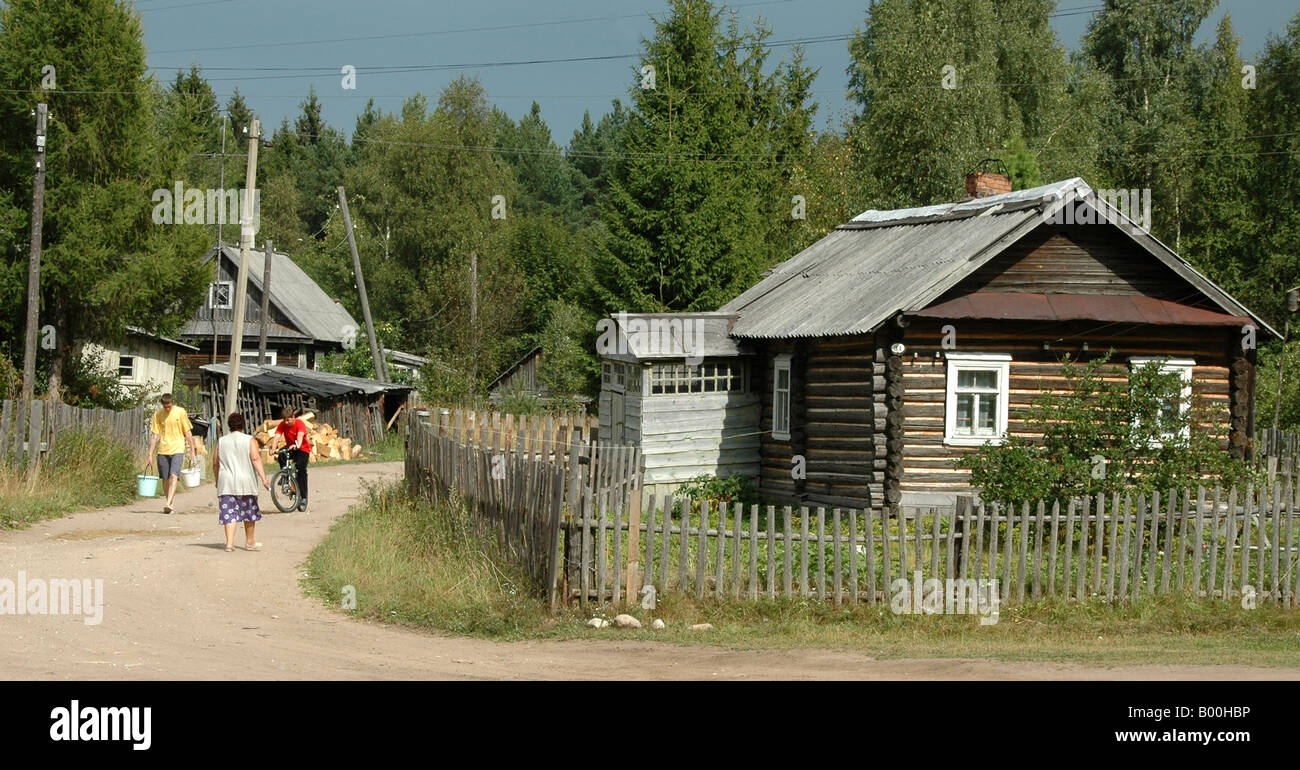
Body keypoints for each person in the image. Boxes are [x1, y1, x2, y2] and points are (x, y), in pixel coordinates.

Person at [213, 412, 270, 552]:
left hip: (226, 483)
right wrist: (263, 478)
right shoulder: (249, 440)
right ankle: (250, 541)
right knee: (249, 512)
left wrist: (217, 480)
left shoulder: (222, 441)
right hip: (246, 482)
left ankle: (229, 543)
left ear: (229, 426)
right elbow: (256, 458)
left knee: (229, 514)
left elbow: (215, 463)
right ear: (243, 425)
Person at [144, 393, 196, 515]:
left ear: (172, 403)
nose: (168, 409)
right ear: (162, 405)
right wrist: (150, 453)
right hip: (163, 449)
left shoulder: (180, 412)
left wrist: (192, 449)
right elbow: (154, 435)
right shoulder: (158, 415)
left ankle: (168, 503)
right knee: (165, 478)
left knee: (174, 475)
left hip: (178, 448)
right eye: (165, 407)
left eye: (169, 406)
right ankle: (170, 503)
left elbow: (187, 431)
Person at [274, 406, 312, 512]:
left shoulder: (299, 423)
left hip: (302, 449)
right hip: (291, 447)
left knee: (300, 469)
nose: (286, 422)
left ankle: (303, 497)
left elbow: (300, 436)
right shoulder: (282, 424)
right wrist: (272, 449)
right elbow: (276, 437)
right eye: (284, 420)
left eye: (288, 420)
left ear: (293, 417)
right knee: (281, 454)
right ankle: (284, 475)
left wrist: (297, 445)